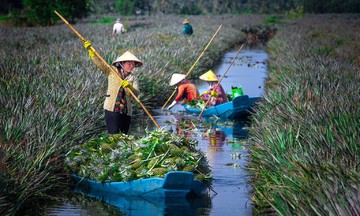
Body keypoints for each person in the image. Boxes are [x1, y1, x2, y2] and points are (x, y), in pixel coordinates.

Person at [83, 40, 142, 134]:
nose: (132, 66)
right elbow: (100, 65)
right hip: (112, 108)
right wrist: (91, 52)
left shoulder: (133, 78)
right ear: (122, 64)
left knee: (124, 136)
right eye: (129, 64)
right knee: (113, 134)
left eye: (133, 64)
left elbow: (136, 93)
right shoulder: (112, 71)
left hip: (126, 111)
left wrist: (129, 87)